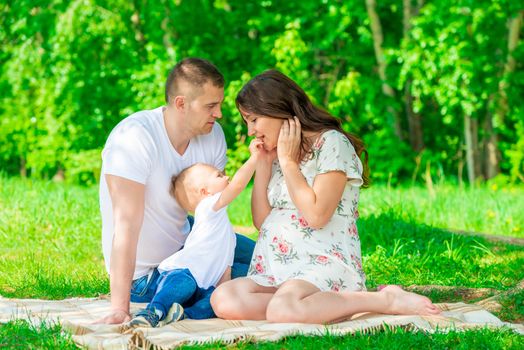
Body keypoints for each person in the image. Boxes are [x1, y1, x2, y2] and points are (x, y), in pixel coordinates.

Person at [210, 70, 440, 323]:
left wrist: (288, 163)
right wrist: (263, 165)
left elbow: (317, 215)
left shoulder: (332, 143)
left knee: (281, 310)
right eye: (247, 122)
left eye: (253, 120)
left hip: (322, 263)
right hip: (277, 268)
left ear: (278, 109)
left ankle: (385, 300)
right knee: (224, 299)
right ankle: (306, 306)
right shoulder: (275, 153)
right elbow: (262, 222)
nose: (251, 131)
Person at [97, 58, 255, 324]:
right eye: (210, 106)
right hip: (150, 273)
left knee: (271, 254)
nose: (219, 114)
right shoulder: (133, 138)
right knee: (255, 276)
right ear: (181, 104)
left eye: (219, 104)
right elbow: (126, 226)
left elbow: (214, 208)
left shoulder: (212, 135)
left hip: (192, 239)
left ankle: (322, 277)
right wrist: (119, 309)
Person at [126, 140, 262, 328]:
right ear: (205, 192)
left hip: (206, 284)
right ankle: (154, 310)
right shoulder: (208, 208)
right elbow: (238, 186)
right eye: (219, 175)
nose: (227, 177)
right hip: (183, 271)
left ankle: (183, 314)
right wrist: (254, 159)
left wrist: (223, 290)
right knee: (183, 284)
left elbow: (226, 269)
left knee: (213, 303)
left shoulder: (227, 235)